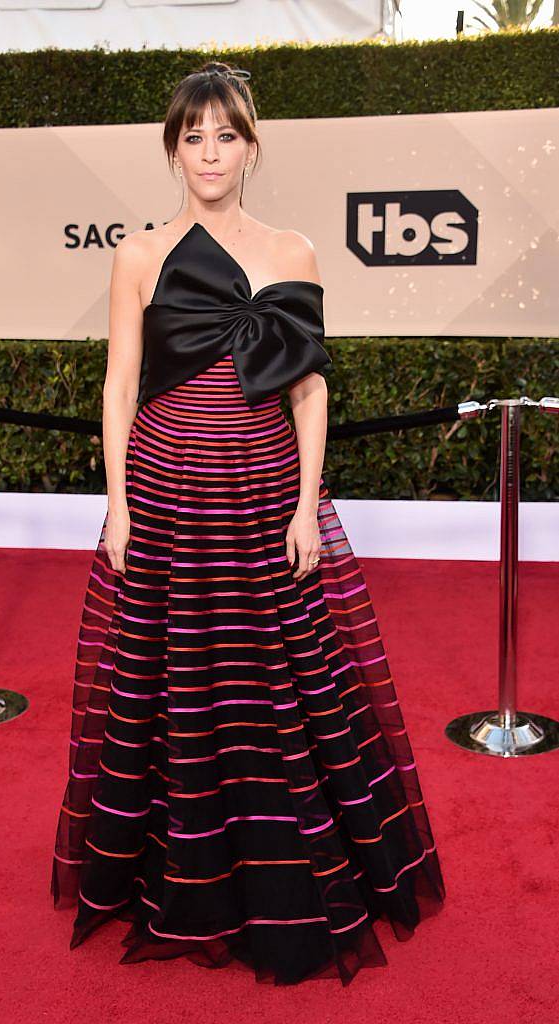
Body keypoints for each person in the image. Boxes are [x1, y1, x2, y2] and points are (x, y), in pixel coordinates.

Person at [51, 60, 446, 987]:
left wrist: (309, 503)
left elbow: (307, 391)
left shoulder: (295, 251)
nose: (209, 153)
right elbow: (117, 387)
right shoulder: (140, 253)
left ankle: (281, 872)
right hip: (165, 486)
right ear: (172, 151)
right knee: (168, 678)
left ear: (252, 144)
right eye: (192, 138)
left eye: (225, 135)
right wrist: (115, 500)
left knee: (276, 682)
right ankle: (183, 875)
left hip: (263, 489)